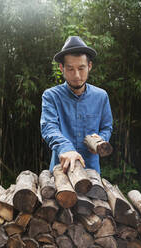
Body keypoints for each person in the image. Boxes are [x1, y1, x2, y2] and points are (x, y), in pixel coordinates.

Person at [40, 36, 113, 174]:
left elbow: (106, 127)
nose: (77, 75)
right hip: (60, 172)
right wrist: (66, 148)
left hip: (92, 173)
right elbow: (49, 127)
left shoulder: (101, 96)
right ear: (61, 68)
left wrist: (101, 139)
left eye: (81, 68)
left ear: (89, 66)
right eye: (70, 69)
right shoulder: (51, 96)